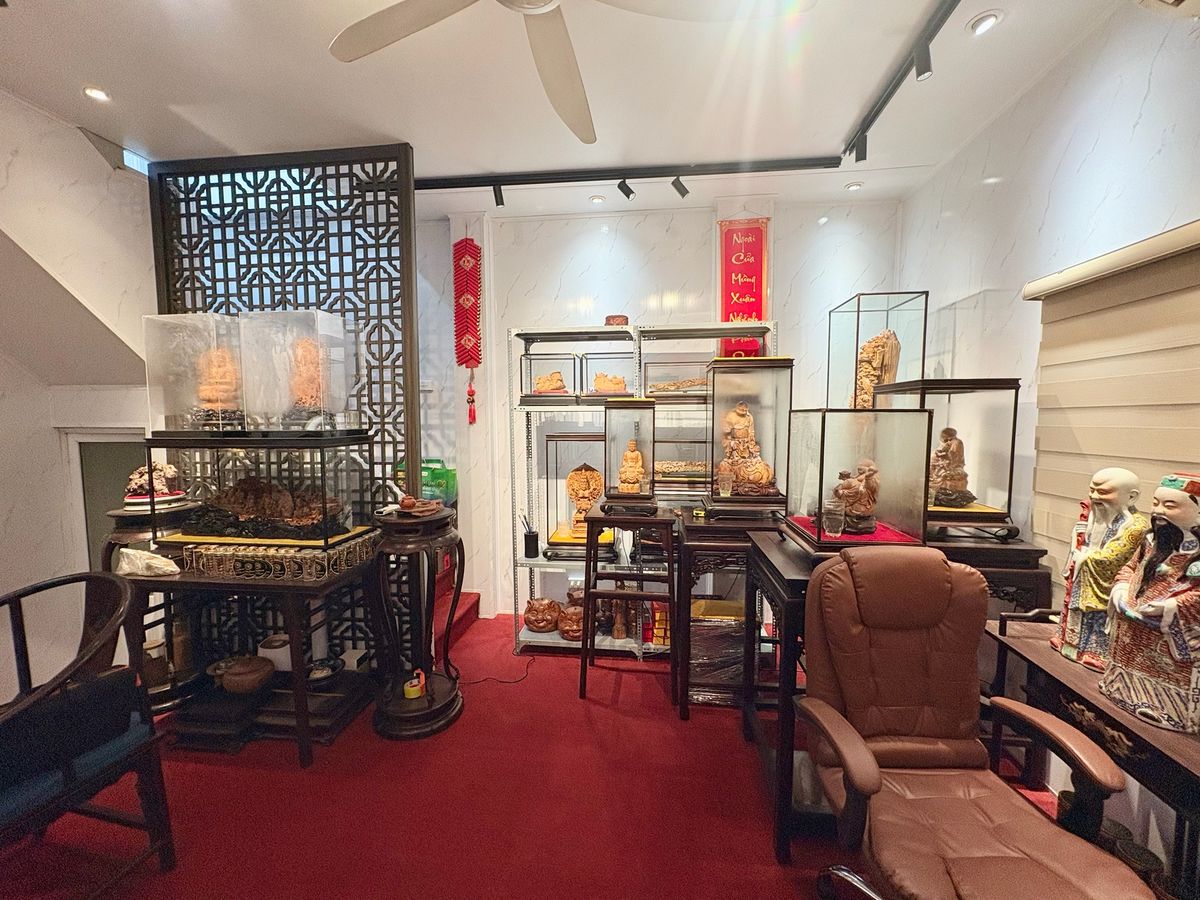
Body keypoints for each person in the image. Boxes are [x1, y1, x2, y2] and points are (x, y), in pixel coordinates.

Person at [1099, 473, 1200, 732]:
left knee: (1168, 679)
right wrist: (1121, 588)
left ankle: (1168, 710)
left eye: (1170, 505)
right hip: (1131, 626)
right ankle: (1120, 690)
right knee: (1124, 672)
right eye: (1156, 503)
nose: (1158, 511)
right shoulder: (1150, 541)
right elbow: (1130, 568)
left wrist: (1172, 607)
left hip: (1167, 635)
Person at [1050, 468, 1148, 670]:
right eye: (1092, 490)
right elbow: (1084, 542)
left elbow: (1113, 558)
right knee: (1074, 611)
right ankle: (1068, 642)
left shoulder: (1135, 525)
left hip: (1107, 581)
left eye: (1103, 492)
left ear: (1131, 497)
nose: (1094, 497)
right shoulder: (1096, 516)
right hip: (1082, 575)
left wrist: (1084, 555)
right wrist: (1077, 539)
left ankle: (1097, 653)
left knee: (1100, 618)